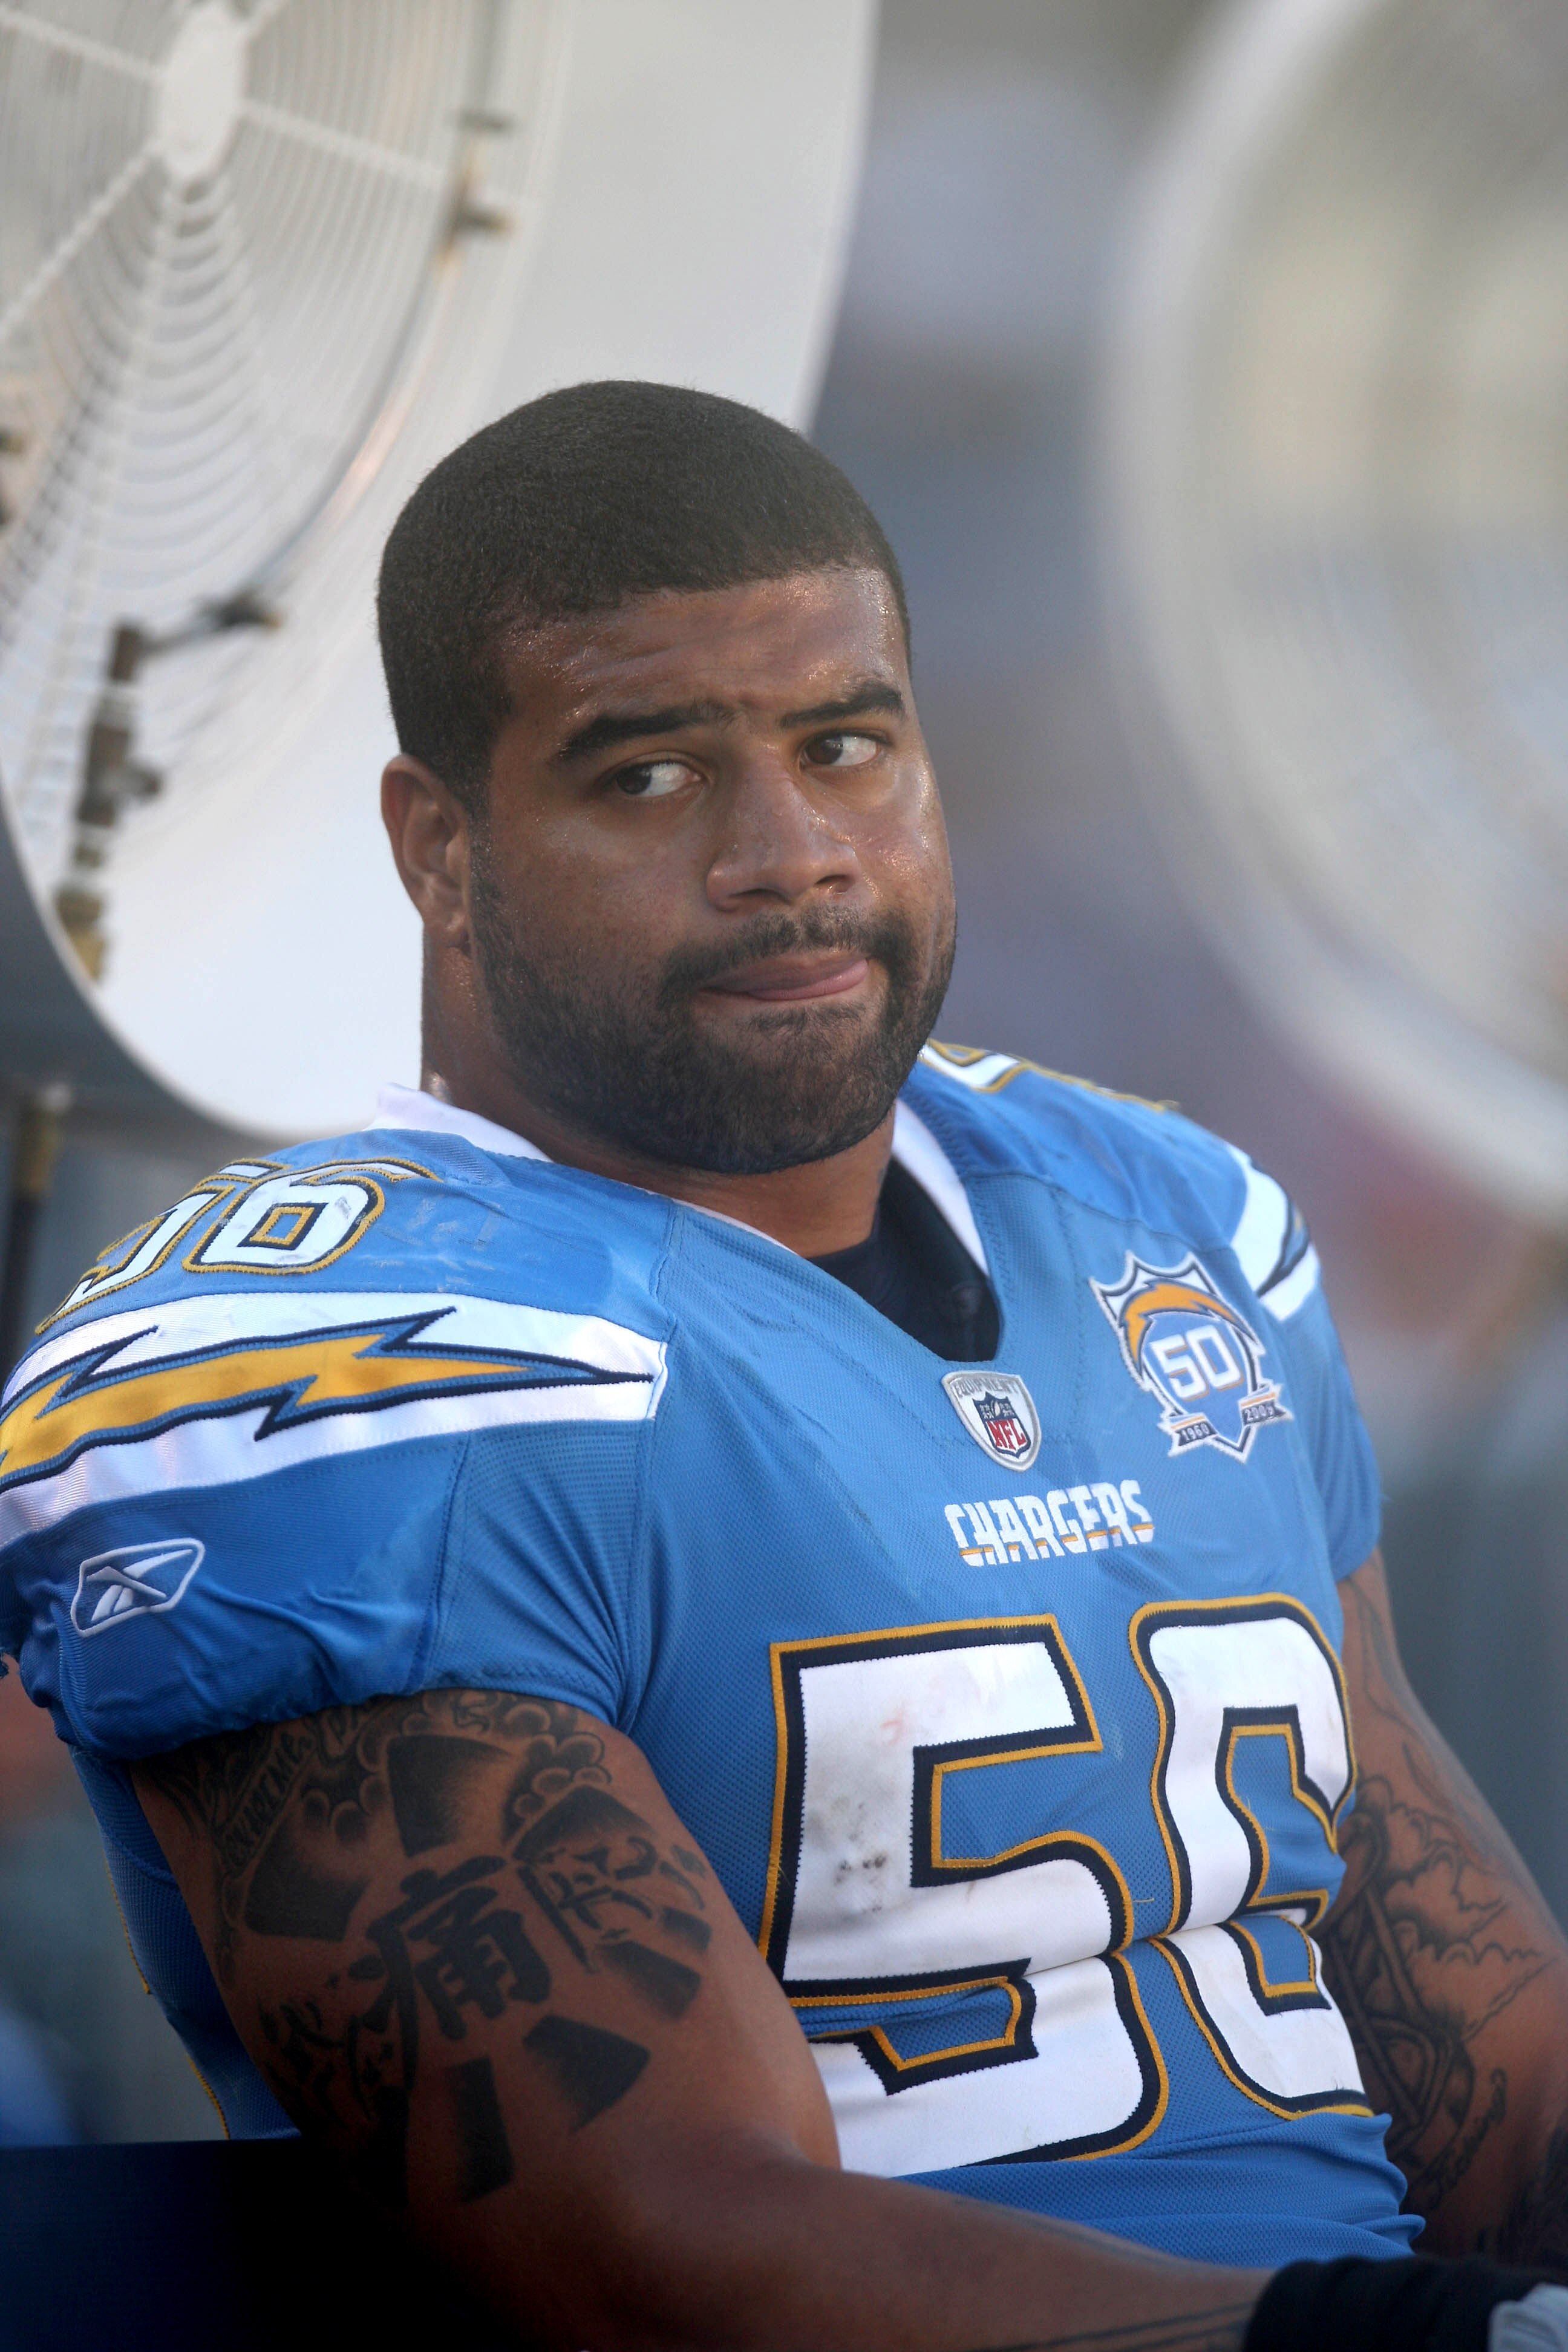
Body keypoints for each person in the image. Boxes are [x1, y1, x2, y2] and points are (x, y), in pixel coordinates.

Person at [2, 382, 1567, 2352]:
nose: (789, 853)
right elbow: (667, 2259)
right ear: (439, 844)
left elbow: (1471, 2024)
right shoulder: (333, 1379)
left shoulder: (1173, 1221)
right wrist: (1392, 2344)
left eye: (848, 746)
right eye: (647, 778)